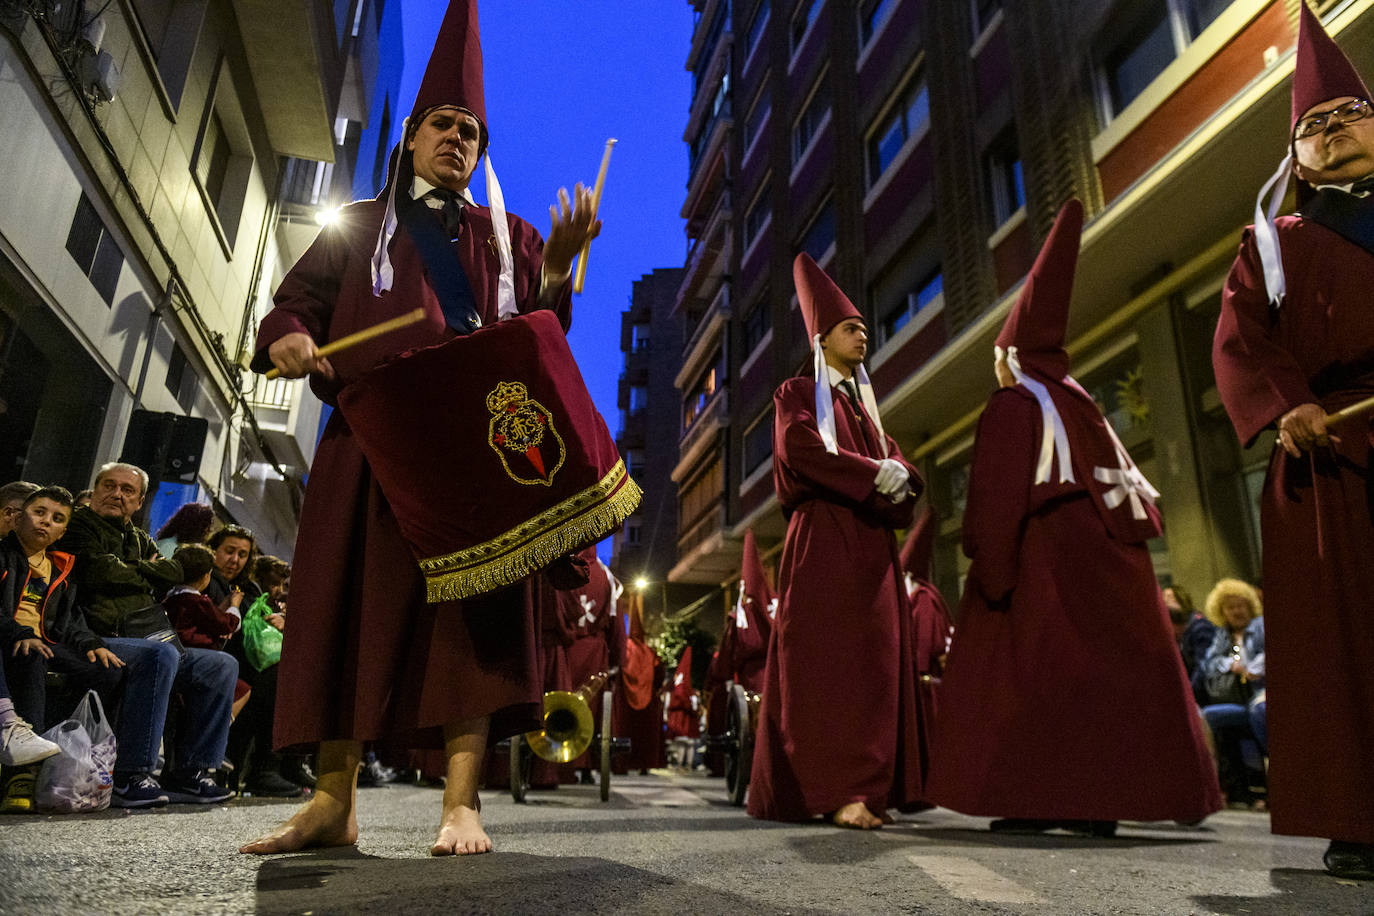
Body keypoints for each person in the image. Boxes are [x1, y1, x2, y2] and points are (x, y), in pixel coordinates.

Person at [240, 0, 602, 857]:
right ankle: (332, 802)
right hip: (369, 445)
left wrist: (556, 270)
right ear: (410, 136)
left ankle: (461, 805)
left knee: (470, 629)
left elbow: (540, 340)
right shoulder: (358, 226)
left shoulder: (510, 237)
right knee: (348, 614)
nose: (458, 139)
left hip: (471, 462)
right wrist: (286, 336)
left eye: (471, 132)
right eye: (443, 124)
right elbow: (294, 305)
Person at [924, 200, 1221, 835]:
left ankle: (1041, 797)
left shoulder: (1014, 405)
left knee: (1035, 681)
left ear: (1010, 356)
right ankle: (1097, 801)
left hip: (1045, 562)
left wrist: (992, 570)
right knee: (1100, 683)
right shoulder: (1081, 404)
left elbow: (998, 500)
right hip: (1111, 562)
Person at [1210, 4, 1374, 880]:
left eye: (1350, 113)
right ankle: (1361, 817)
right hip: (1331, 455)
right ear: (1296, 158)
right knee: (1346, 643)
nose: (1333, 129)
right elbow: (1241, 341)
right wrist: (1289, 405)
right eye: (1314, 125)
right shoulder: (1274, 243)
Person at [748, 253, 926, 830]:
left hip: (873, 552)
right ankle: (833, 789)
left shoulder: (867, 413)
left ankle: (870, 788)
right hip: (823, 543)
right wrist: (874, 475)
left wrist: (900, 478)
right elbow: (801, 450)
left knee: (875, 667)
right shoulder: (797, 393)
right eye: (851, 328)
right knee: (827, 667)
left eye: (865, 329)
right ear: (822, 337)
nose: (863, 336)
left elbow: (900, 467)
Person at [57, 462, 236, 806]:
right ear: (95, 490)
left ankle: (191, 772)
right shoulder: (78, 525)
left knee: (221, 665)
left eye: (127, 490)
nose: (116, 494)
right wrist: (148, 571)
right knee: (161, 655)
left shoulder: (137, 536)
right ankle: (131, 774)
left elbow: (172, 572)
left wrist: (137, 570)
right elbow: (99, 571)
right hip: (97, 634)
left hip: (145, 636)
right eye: (109, 485)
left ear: (139, 502)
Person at [0, 487, 129, 808]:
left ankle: (73, 758)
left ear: (62, 533)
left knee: (108, 671)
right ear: (18, 517)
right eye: (39, 512)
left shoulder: (60, 569)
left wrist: (92, 644)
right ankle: (23, 774)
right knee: (32, 655)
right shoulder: (3, 555)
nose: (46, 522)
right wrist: (19, 633)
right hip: (9, 637)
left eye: (57, 519)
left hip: (43, 640)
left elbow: (70, 620)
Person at [1197, 579, 1267, 808]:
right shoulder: (1222, 635)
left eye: (1240, 605)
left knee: (1259, 712)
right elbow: (1208, 664)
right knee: (1204, 717)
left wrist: (1251, 667)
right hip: (1236, 700)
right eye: (1230, 607)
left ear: (1250, 605)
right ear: (1222, 611)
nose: (1237, 611)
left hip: (1259, 694)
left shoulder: (1260, 626)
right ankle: (1215, 785)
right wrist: (1230, 664)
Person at [1163, 584, 1214, 691]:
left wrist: (1188, 693)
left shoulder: (1200, 627)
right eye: (1164, 598)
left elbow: (1203, 666)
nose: (1165, 601)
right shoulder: (1184, 629)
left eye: (1170, 597)